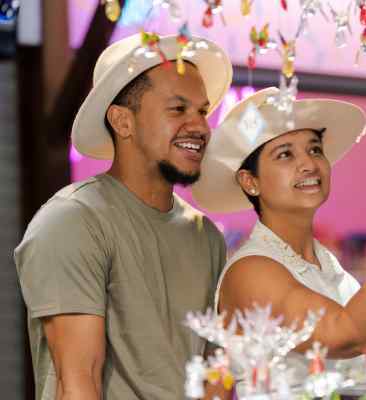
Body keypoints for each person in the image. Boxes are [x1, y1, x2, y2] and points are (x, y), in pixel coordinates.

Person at [192, 88, 366, 390]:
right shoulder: (251, 270)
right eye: (285, 154)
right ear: (250, 181)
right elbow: (348, 333)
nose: (309, 164)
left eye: (314, 149)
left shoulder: (326, 264)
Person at [15, 33, 233, 400]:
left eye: (202, 110)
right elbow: (78, 382)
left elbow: (215, 378)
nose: (200, 126)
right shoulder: (73, 221)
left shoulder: (205, 235)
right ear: (122, 121)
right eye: (178, 109)